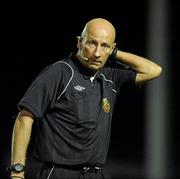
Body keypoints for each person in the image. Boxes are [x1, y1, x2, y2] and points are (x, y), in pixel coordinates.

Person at [9, 18, 162, 179]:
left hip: (97, 173)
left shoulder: (110, 76)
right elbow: (24, 118)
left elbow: (153, 70)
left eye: (104, 46)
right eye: (91, 43)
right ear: (79, 42)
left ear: (113, 48)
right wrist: (17, 172)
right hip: (60, 172)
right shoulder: (59, 73)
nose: (96, 53)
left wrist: (113, 54)